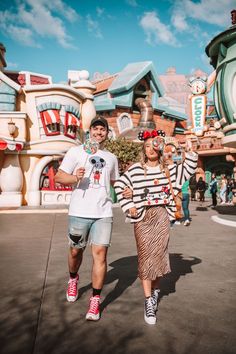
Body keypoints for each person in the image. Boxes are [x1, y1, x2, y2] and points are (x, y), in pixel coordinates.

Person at [114, 130, 198, 325]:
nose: (151, 148)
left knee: (159, 257)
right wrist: (130, 205)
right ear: (144, 148)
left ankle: (155, 291)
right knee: (145, 257)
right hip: (143, 218)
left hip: (161, 216)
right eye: (147, 145)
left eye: (155, 144)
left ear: (160, 147)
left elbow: (190, 168)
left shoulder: (169, 169)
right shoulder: (135, 169)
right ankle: (148, 301)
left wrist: (190, 151)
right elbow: (119, 185)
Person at [54, 116, 124, 321]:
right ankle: (73, 279)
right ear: (90, 131)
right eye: (96, 128)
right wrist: (76, 177)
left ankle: (95, 300)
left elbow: (115, 182)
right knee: (76, 251)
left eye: (103, 129)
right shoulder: (76, 152)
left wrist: (126, 191)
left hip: (103, 213)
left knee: (100, 254)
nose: (99, 132)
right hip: (79, 212)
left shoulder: (111, 157)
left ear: (106, 133)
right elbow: (59, 177)